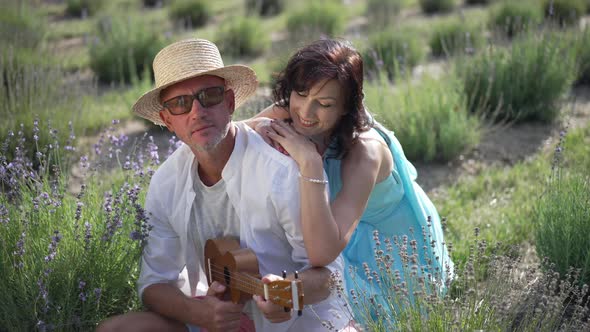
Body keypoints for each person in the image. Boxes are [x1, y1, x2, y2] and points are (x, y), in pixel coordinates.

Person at [96, 38, 349, 332]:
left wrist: (290, 295)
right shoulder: (166, 182)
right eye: (180, 103)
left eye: (210, 95)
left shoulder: (281, 171)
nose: (197, 112)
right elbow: (154, 284)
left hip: (297, 323)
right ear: (166, 120)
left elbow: (329, 276)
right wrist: (200, 312)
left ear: (229, 102)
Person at [246, 38, 454, 325]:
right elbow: (233, 137)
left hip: (393, 262)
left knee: (314, 295)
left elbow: (321, 253)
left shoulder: (365, 152)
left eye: (324, 104)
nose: (306, 112)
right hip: (341, 236)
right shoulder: (294, 110)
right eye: (301, 93)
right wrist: (262, 126)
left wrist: (310, 162)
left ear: (345, 107)